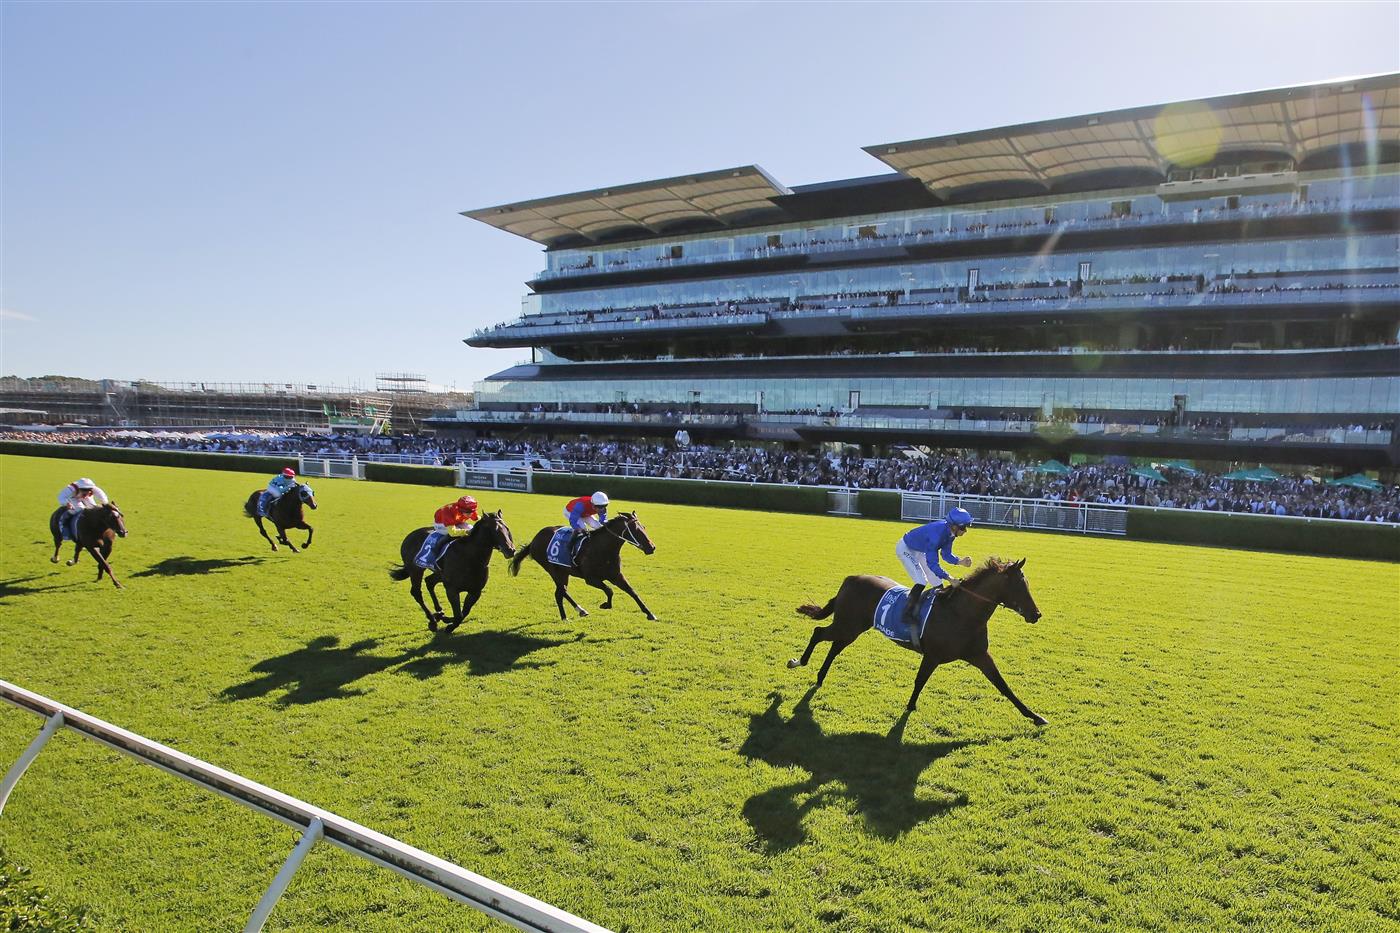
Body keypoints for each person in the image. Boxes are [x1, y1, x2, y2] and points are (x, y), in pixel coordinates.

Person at [895, 507, 974, 646]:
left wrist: (960, 561)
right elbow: (933, 564)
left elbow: (946, 554)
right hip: (906, 548)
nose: (965, 531)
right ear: (955, 526)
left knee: (937, 582)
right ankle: (907, 614)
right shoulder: (937, 535)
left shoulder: (950, 533)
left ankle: (938, 613)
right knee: (921, 580)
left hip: (920, 549)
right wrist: (950, 578)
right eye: (963, 527)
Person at [564, 491, 609, 559]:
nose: (602, 509)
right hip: (570, 511)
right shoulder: (580, 505)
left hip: (585, 513)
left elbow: (602, 521)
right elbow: (573, 521)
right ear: (593, 504)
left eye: (604, 506)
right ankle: (570, 545)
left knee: (598, 527)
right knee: (583, 529)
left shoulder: (601, 507)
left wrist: (607, 525)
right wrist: (578, 528)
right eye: (599, 507)